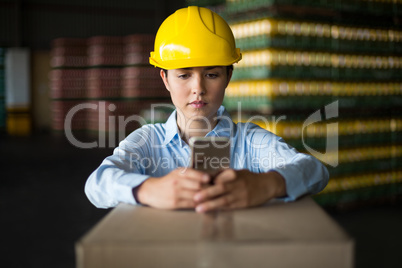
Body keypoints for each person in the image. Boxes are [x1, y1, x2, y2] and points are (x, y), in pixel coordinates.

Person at [85, 6, 329, 212]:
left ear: (228, 76)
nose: (198, 88)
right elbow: (97, 184)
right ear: (165, 79)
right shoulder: (147, 142)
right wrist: (147, 189)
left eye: (211, 74)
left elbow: (314, 170)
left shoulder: (250, 142)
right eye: (184, 75)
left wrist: (268, 184)